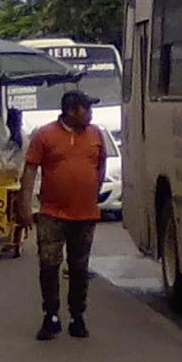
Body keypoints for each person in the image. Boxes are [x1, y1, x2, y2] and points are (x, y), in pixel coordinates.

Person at [16, 90, 106, 341]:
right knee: (49, 264)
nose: (90, 114)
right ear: (71, 111)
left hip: (85, 214)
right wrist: (24, 206)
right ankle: (51, 315)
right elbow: (30, 170)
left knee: (79, 267)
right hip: (52, 214)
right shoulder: (45, 135)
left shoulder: (96, 135)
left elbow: (100, 168)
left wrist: (91, 192)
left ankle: (78, 315)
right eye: (86, 109)